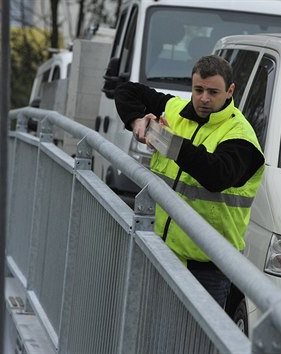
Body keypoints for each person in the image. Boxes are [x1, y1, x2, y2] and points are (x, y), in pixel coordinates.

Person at [114, 55, 265, 307]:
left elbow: (215, 175)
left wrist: (169, 142)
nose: (204, 98)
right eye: (198, 90)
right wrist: (137, 120)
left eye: (213, 92)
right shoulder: (176, 109)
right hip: (159, 251)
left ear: (230, 91)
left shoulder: (240, 136)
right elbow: (125, 90)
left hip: (206, 268)